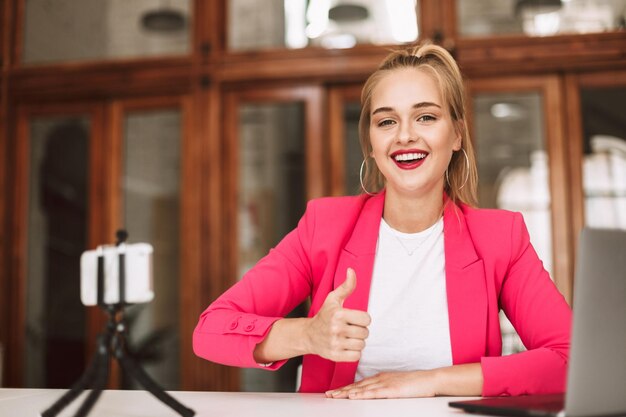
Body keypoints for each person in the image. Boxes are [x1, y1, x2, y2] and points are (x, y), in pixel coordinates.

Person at [193, 42, 572, 399]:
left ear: (457, 134)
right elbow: (210, 331)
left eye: (425, 116)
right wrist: (308, 335)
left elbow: (571, 360)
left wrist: (430, 381)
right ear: (372, 146)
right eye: (386, 122)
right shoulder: (324, 226)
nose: (405, 135)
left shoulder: (500, 237)